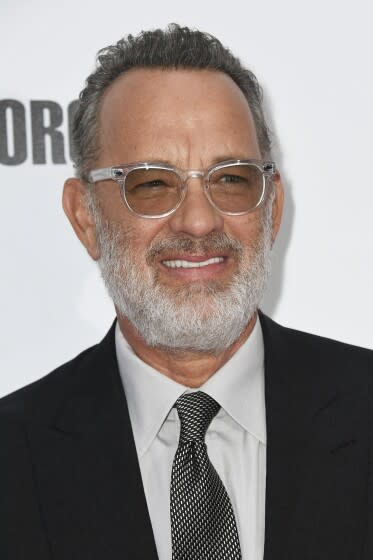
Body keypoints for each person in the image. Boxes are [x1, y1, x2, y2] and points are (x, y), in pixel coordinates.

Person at [0, 24, 372, 560]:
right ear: (85, 217)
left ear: (273, 210)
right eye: (152, 184)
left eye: (231, 179)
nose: (199, 221)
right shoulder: (13, 458)